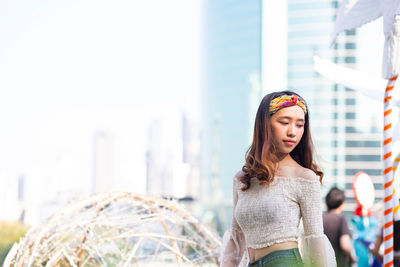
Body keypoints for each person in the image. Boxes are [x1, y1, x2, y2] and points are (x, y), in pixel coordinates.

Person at [220, 91, 336, 267]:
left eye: (299, 125)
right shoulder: (242, 179)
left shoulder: (304, 178)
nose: (292, 132)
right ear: (264, 125)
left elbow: (315, 242)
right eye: (284, 122)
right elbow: (236, 240)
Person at [323, 187, 355, 267]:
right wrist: (352, 258)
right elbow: (345, 245)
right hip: (339, 263)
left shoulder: (320, 219)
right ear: (342, 204)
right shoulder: (341, 220)